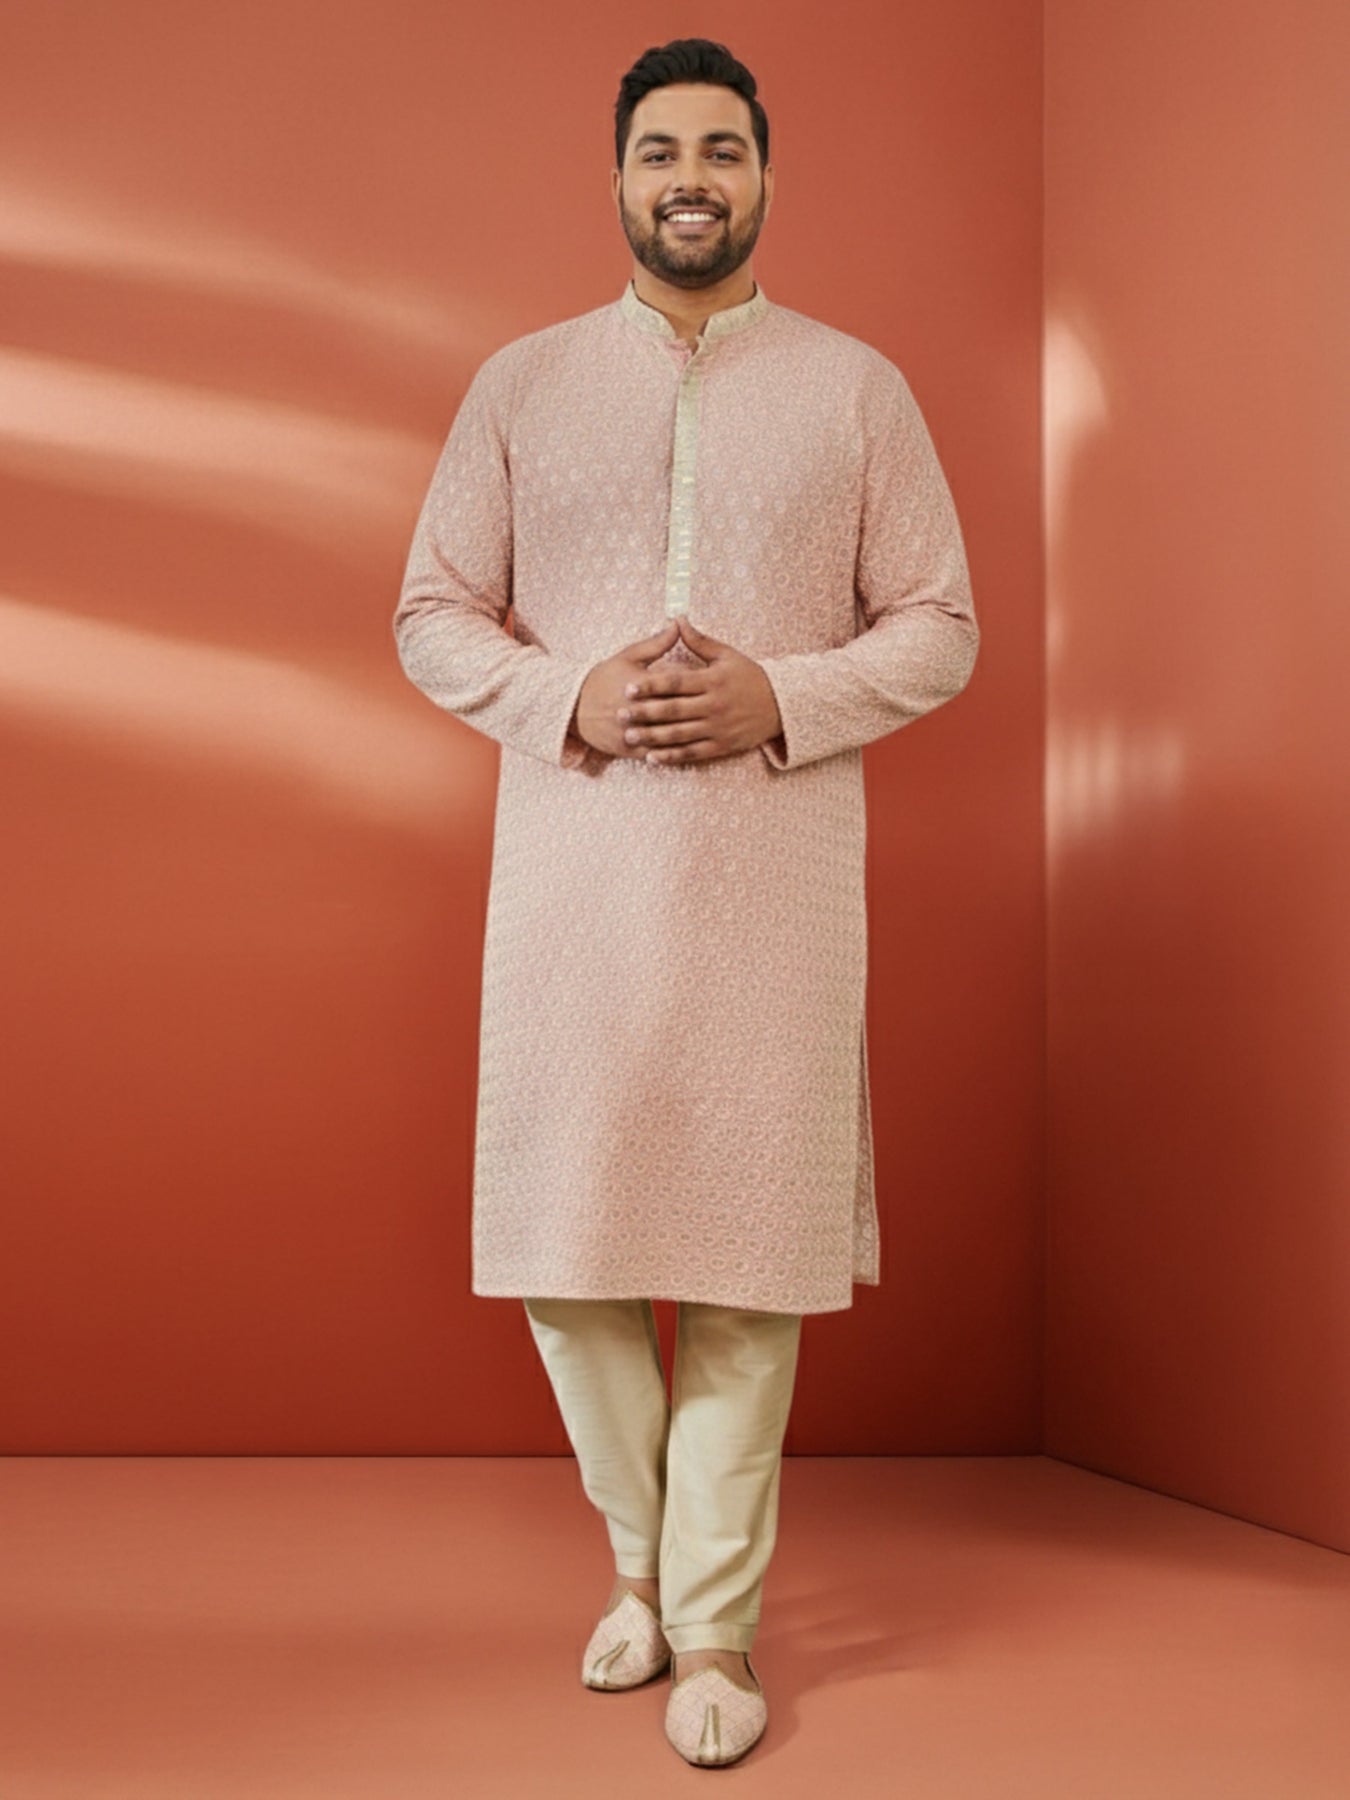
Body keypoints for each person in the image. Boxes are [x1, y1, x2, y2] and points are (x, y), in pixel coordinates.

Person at [393, 37, 978, 1769]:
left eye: (722, 148)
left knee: (743, 1270)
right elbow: (432, 610)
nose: (691, 177)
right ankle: (637, 1571)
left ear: (765, 176)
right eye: (661, 150)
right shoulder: (521, 383)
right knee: (568, 1257)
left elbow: (939, 625)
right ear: (619, 179)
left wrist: (776, 696)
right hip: (570, 882)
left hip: (771, 882)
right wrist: (568, 694)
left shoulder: (855, 389)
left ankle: (711, 1628)